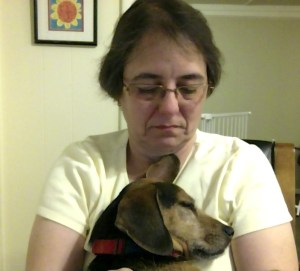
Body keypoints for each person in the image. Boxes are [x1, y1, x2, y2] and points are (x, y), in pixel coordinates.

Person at [26, 0, 298, 270]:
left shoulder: (243, 165)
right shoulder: (82, 165)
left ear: (207, 89)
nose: (169, 108)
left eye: (189, 88)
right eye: (146, 88)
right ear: (118, 90)